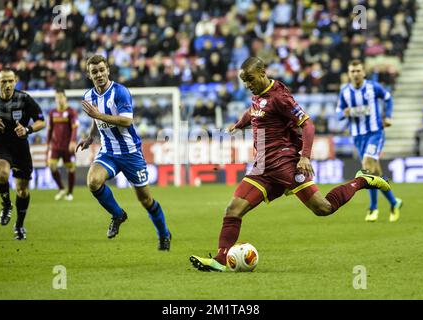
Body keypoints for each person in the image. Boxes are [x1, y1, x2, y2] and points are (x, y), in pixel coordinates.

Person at [189, 57, 391, 272]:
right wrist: (239, 124)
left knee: (324, 208)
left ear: (262, 72)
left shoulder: (281, 98)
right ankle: (220, 261)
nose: (247, 85)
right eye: (244, 81)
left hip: (286, 165)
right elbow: (254, 112)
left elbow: (308, 125)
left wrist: (305, 157)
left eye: (250, 80)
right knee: (233, 209)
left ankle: (361, 180)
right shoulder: (258, 94)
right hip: (262, 168)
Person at [76, 55, 172, 250]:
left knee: (145, 200)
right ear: (89, 75)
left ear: (108, 70)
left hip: (130, 153)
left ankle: (164, 234)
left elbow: (127, 121)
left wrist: (98, 115)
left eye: (102, 70)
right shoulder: (89, 96)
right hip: (109, 151)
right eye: (94, 72)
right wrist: (90, 137)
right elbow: (96, 120)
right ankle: (118, 214)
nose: (99, 74)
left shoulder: (120, 92)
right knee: (93, 181)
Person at [337, 60, 402, 222]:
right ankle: (394, 202)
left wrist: (388, 116)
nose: (356, 74)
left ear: (364, 72)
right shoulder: (345, 92)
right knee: (375, 173)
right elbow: (338, 113)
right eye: (352, 71)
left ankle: (373, 208)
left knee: (366, 167)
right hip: (358, 136)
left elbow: (388, 98)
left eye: (358, 71)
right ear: (349, 73)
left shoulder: (373, 87)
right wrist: (345, 113)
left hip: (375, 133)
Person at [0, 69, 46, 240]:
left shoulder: (24, 99)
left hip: (20, 148)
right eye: (4, 81)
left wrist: (28, 129)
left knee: (22, 191)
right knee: (2, 173)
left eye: (11, 81)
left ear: (16, 81)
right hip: (0, 146)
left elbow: (42, 121)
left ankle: (19, 225)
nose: (8, 85)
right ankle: (6, 205)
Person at [46, 89, 78, 201]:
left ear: (65, 98)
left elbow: (75, 128)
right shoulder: (52, 112)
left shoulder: (71, 112)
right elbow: (49, 130)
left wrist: (73, 141)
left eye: (61, 97)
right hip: (55, 145)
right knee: (52, 166)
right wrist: (47, 143)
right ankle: (61, 188)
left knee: (71, 168)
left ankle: (70, 192)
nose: (59, 100)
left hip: (67, 145)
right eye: (57, 97)